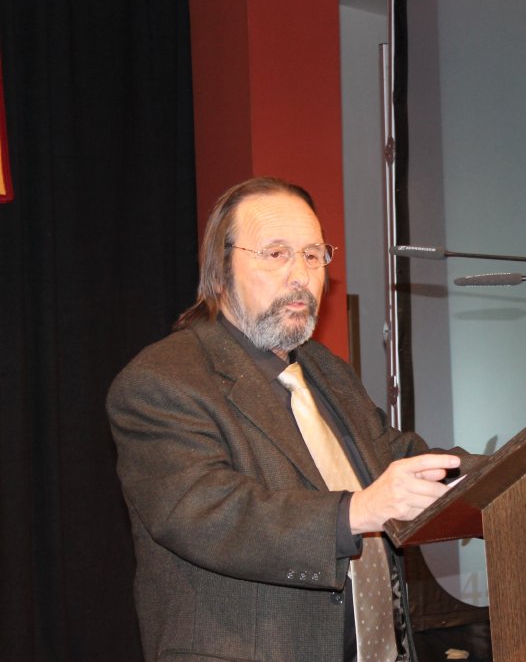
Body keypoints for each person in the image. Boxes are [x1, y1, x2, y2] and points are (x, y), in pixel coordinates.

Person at [107, 177, 464, 662]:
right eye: (276, 254)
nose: (301, 274)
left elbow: (398, 457)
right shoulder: (162, 380)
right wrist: (357, 511)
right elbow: (207, 514)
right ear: (220, 269)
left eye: (314, 255)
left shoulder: (324, 369)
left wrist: (497, 474)